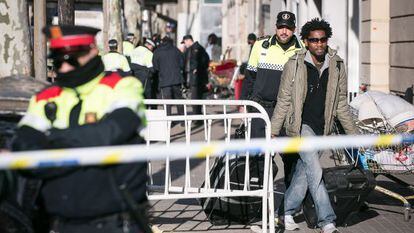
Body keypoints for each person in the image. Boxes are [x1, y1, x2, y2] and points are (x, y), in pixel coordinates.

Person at [11, 25, 150, 233]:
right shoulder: (45, 97)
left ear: (93, 51)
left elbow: (115, 130)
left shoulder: (122, 86)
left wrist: (50, 144)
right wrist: (84, 147)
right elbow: (23, 147)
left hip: (117, 223)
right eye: (58, 61)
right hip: (61, 222)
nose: (65, 68)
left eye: (71, 59)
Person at [270, 18, 359, 233]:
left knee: (304, 173)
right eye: (313, 40)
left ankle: (285, 213)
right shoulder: (295, 63)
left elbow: (340, 104)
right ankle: (327, 220)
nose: (319, 44)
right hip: (302, 126)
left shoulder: (337, 64)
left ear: (326, 40)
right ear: (306, 41)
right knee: (315, 171)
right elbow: (283, 99)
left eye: (322, 39)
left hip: (323, 127)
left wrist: (354, 133)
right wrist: (273, 131)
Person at [240, 11, 303, 215]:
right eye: (281, 27)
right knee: (258, 158)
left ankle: (289, 209)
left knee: (290, 159)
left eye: (288, 27)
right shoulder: (260, 45)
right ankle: (258, 207)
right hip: (261, 109)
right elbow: (249, 78)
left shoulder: (301, 50)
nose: (284, 31)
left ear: (294, 29)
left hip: (287, 112)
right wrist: (246, 106)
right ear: (275, 27)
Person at [152, 36, 185, 118]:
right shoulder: (176, 50)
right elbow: (182, 64)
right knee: (179, 100)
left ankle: (168, 119)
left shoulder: (157, 51)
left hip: (164, 80)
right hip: (176, 79)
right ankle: (182, 119)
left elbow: (155, 66)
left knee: (167, 102)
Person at [182, 34, 210, 119]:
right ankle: (197, 116)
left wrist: (197, 69)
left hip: (196, 79)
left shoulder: (198, 48)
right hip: (192, 78)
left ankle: (197, 117)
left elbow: (205, 61)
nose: (184, 44)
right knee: (195, 97)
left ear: (188, 40)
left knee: (195, 98)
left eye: (185, 42)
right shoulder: (189, 50)